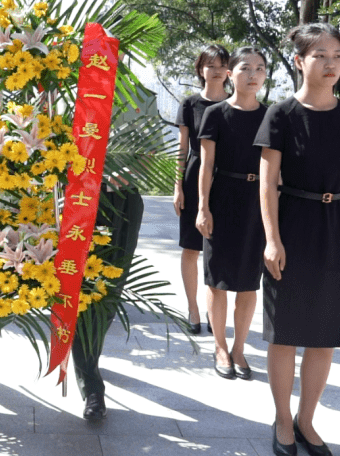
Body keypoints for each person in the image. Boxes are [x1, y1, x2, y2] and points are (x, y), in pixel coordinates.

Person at [254, 22, 340, 456]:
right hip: (293, 224)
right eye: (320, 55)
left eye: (337, 54)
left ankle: (307, 419)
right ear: (300, 61)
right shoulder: (281, 114)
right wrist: (271, 239)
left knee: (324, 335)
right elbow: (267, 184)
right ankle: (282, 419)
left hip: (336, 228)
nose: (331, 63)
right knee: (284, 334)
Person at [71, 80, 155, 420]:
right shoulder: (69, 87)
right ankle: (91, 383)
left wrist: (130, 171)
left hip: (124, 200)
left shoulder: (142, 98)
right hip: (80, 199)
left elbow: (153, 153)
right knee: (80, 291)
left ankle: (90, 353)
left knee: (108, 291)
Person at [195, 46, 268, 382]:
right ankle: (220, 346)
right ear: (230, 74)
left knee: (249, 282)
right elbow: (206, 165)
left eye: (259, 68)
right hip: (223, 199)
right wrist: (202, 206)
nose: (252, 75)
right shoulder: (216, 114)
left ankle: (240, 347)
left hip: (258, 202)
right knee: (218, 278)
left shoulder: (272, 116)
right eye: (245, 68)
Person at [174, 45, 229, 333]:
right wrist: (177, 186)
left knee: (218, 248)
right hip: (194, 176)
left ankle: (213, 309)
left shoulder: (235, 103)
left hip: (226, 179)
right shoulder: (190, 104)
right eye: (210, 65)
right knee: (191, 248)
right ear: (201, 69)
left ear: (229, 70)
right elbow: (183, 148)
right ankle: (193, 308)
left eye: (222, 64)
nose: (216, 70)